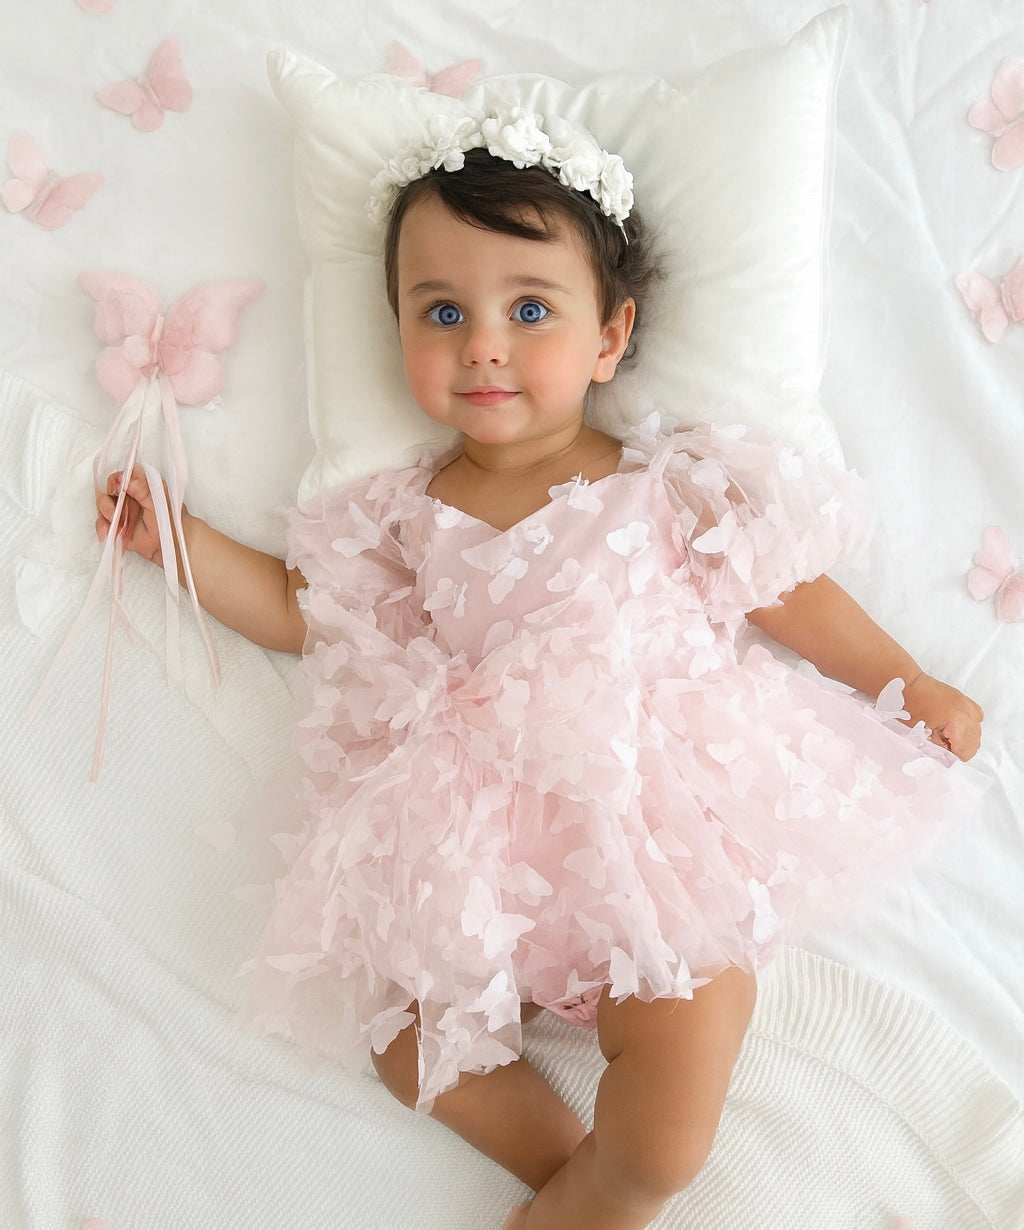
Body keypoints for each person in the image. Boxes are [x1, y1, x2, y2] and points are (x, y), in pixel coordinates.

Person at [95, 107, 984, 1230]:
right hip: (477, 845)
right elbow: (298, 608)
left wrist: (904, 679)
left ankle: (625, 1183)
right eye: (442, 312)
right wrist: (176, 544)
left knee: (672, 1103)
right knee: (402, 1032)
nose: (482, 344)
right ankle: (579, 1184)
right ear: (398, 330)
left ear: (609, 338)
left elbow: (786, 591)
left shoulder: (667, 485)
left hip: (659, 832)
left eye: (528, 310)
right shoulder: (404, 518)